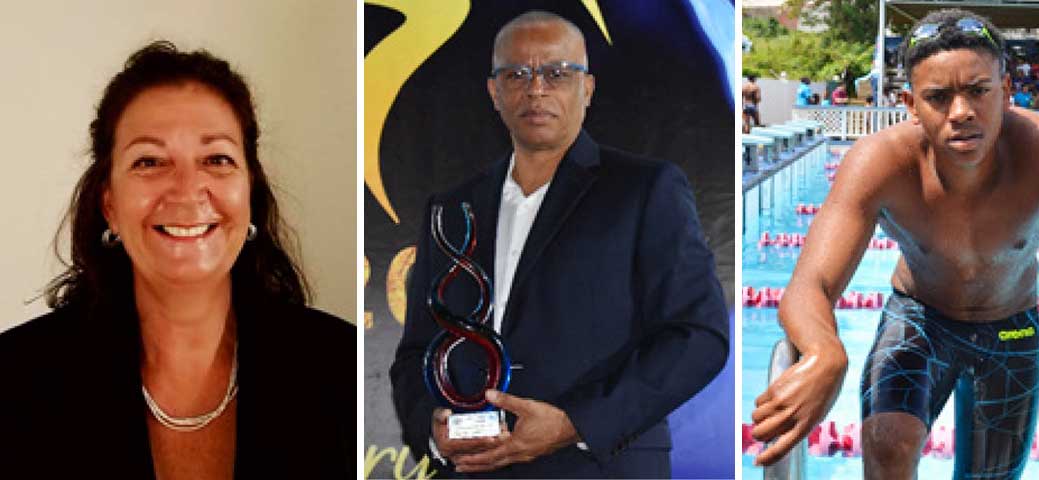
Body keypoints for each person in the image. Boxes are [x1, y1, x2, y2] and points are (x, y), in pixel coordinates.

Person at [750, 9, 1039, 479]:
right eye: (938, 97)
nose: (961, 112)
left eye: (978, 91)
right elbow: (809, 282)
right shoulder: (879, 163)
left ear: (1007, 90)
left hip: (1011, 332)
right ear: (911, 105)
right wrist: (822, 350)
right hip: (918, 321)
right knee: (888, 450)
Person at [390, 11, 728, 478]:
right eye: (517, 74)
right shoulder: (451, 209)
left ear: (586, 89)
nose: (536, 89)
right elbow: (416, 353)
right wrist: (431, 428)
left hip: (597, 466)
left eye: (556, 73)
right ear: (495, 92)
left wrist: (575, 423)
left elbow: (699, 336)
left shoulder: (645, 190)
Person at [0, 41, 354, 477]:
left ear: (250, 194)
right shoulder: (15, 380)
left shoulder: (341, 368)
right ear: (109, 203)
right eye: (149, 161)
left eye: (217, 159)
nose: (187, 190)